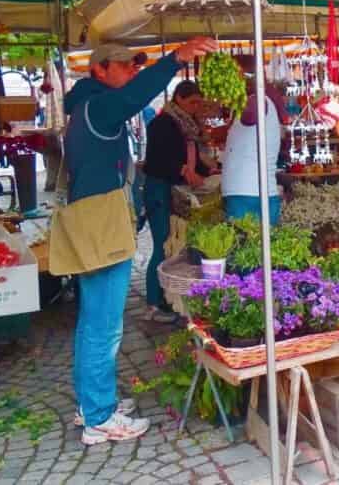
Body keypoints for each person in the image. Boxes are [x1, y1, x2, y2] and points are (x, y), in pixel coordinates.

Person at [63, 37, 217, 445]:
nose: (132, 70)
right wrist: (175, 60)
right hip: (100, 221)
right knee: (104, 324)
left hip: (94, 217)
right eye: (123, 64)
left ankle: (91, 405)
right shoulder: (98, 105)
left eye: (135, 65)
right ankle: (100, 417)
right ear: (99, 70)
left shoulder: (87, 105)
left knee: (93, 319)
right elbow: (134, 96)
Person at [142, 80, 215, 323]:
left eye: (199, 103)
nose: (196, 107)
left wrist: (209, 169)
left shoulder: (187, 125)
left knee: (172, 246)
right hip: (159, 191)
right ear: (179, 99)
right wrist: (183, 170)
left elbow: (191, 156)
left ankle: (168, 296)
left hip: (174, 189)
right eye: (193, 102)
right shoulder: (163, 123)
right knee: (162, 243)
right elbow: (158, 159)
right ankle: (154, 303)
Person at [221, 80, 287, 221]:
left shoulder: (257, 101)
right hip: (248, 192)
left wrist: (234, 93)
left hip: (248, 193)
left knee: (244, 235)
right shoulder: (256, 104)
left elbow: (250, 114)